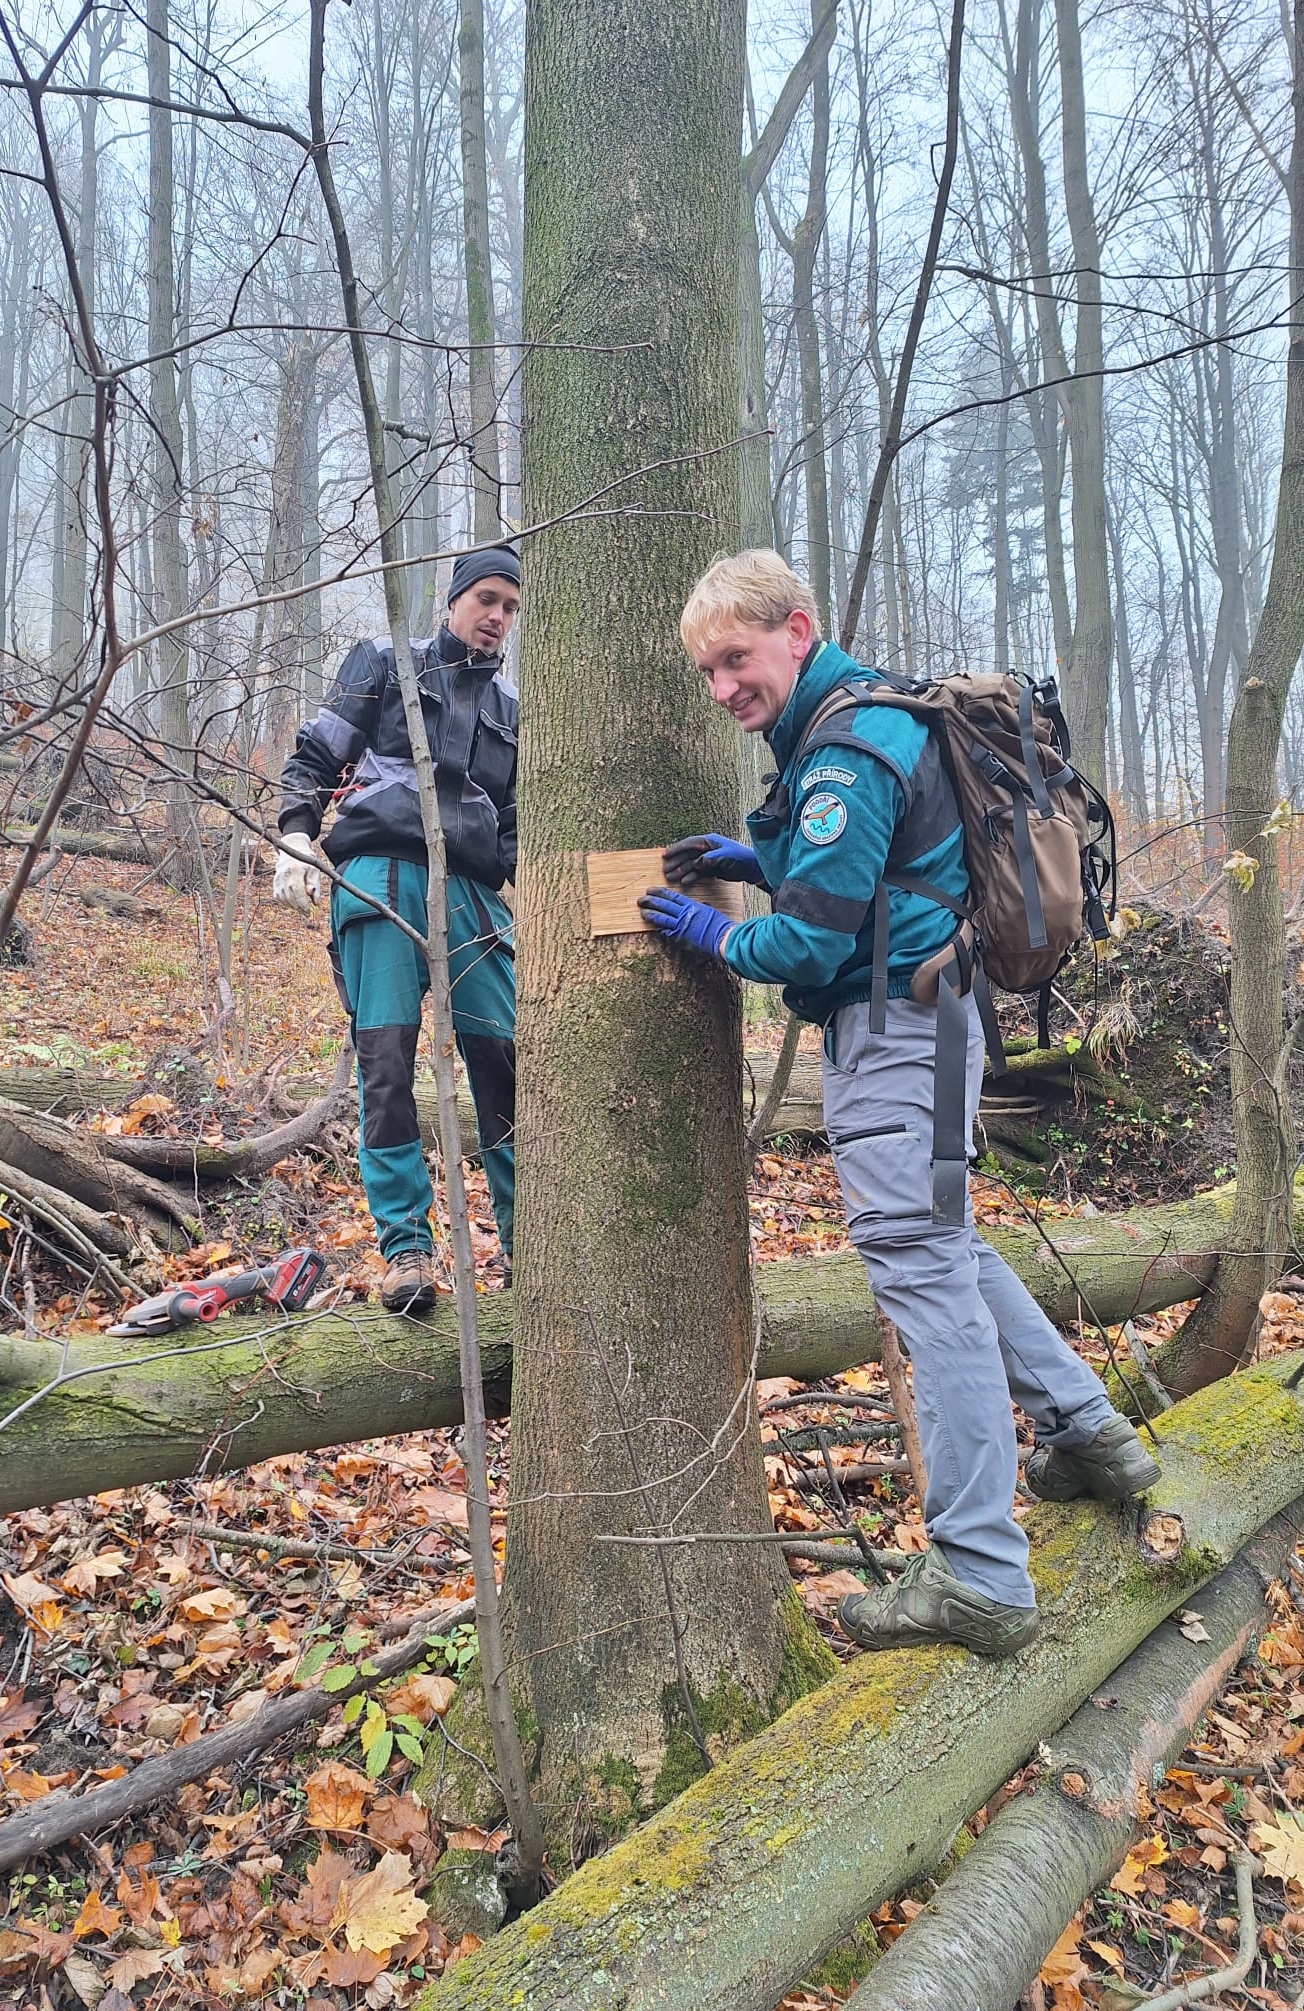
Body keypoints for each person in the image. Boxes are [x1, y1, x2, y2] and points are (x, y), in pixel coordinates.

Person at [639, 548, 1157, 1658]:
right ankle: (1092, 1432)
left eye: (735, 659)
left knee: (924, 1277)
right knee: (952, 1252)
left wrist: (719, 932)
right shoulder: (870, 720)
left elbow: (816, 938)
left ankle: (976, 1570)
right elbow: (884, 875)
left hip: (895, 1034)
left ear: (796, 629)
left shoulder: (844, 750)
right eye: (707, 672)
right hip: (939, 1017)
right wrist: (765, 857)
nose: (725, 688)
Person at [274, 545, 521, 1314]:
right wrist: (292, 832)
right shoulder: (385, 663)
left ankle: (528, 1243)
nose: (496, 617)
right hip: (380, 873)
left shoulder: (510, 709)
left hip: (475, 894)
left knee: (505, 1058)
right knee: (386, 1061)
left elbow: (511, 823)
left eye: (510, 607)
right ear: (453, 600)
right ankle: (406, 1250)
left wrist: (533, 892)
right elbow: (319, 749)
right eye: (486, 599)